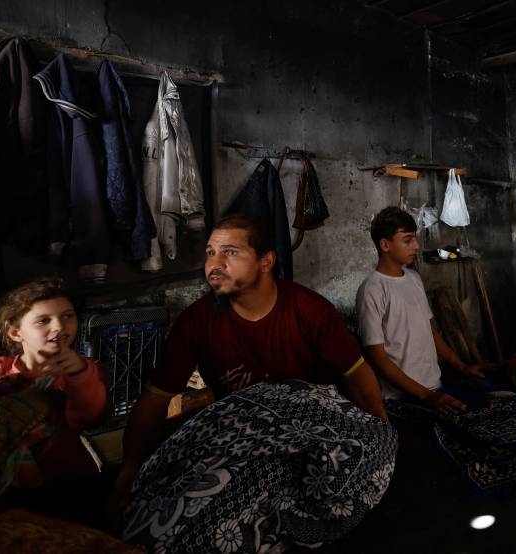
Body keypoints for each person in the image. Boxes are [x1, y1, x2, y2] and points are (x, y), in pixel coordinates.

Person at [109, 214, 388, 523]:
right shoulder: (195, 323)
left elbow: (357, 375)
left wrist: (381, 434)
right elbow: (155, 398)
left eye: (230, 252)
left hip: (313, 436)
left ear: (266, 261)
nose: (214, 264)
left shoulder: (310, 310)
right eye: (210, 253)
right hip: (243, 440)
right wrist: (130, 468)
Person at [0, 278, 108, 487]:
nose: (59, 327)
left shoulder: (86, 370)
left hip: (64, 480)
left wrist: (79, 374)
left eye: (68, 316)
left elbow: (90, 418)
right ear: (15, 333)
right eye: (43, 321)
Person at [357, 207, 487, 417]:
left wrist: (461, 367)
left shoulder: (414, 279)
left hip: (434, 387)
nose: (416, 246)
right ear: (385, 245)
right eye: (407, 240)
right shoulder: (372, 290)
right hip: (401, 397)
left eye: (414, 238)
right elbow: (377, 358)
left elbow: (428, 329)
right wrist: (426, 396)